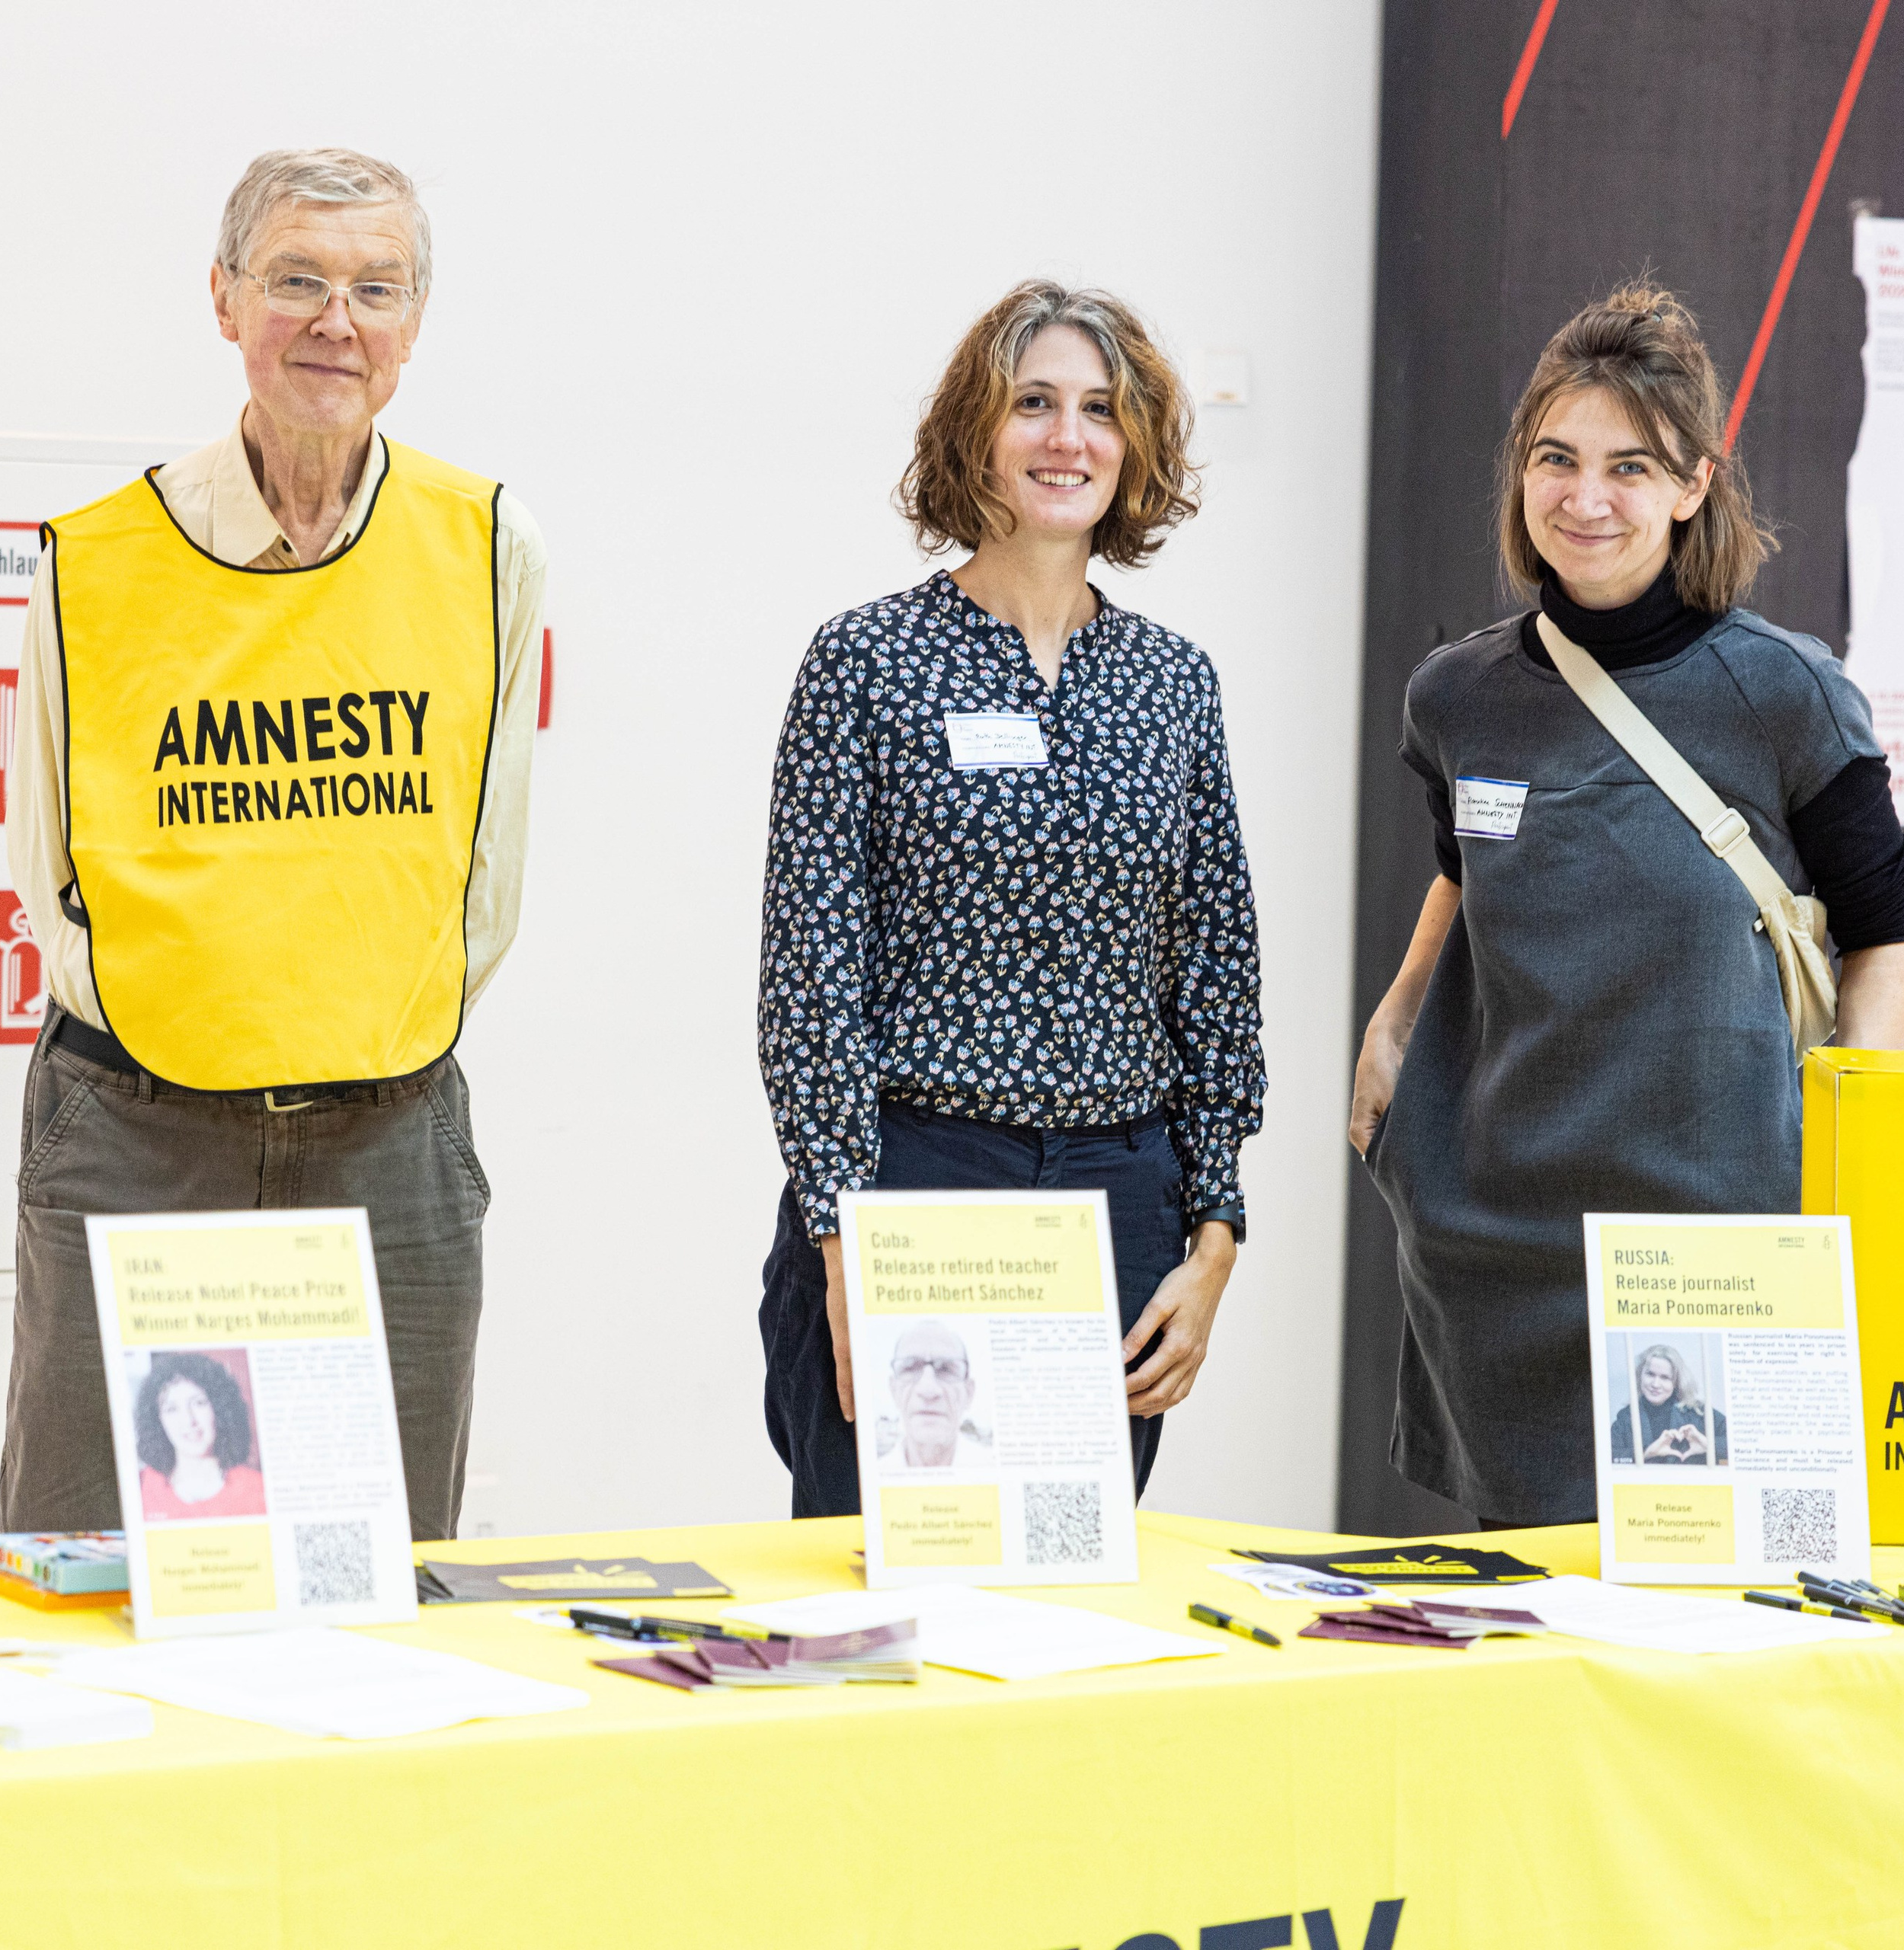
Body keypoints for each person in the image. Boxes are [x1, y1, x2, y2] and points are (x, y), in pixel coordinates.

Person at [1, 149, 547, 1542]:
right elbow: (51, 860)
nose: (334, 320)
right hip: (136, 1129)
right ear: (226, 300)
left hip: (392, 1136)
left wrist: (356, 1026)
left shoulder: (486, 543)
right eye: (296, 278)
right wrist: (191, 1023)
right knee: (80, 1580)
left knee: (376, 1575)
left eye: (376, 288)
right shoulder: (96, 556)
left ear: (414, 326)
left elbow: (485, 864)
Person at [1352, 286, 1904, 1529]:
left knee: (1729, 1632)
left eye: (1629, 466)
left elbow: (1884, 934)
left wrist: (1862, 1166)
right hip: (1501, 1255)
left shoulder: (1785, 694)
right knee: (1540, 1652)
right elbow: (1467, 870)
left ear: (1694, 484)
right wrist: (1391, 1028)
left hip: (1716, 1259)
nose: (1585, 498)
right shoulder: (1458, 698)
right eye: (1557, 459)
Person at [758, 280, 1266, 1518]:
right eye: (1033, 403)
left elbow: (1217, 971)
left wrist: (1215, 1244)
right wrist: (839, 1238)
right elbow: (810, 975)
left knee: (1067, 1600)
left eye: (1100, 410)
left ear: (1135, 446)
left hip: (1119, 1207)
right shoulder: (865, 663)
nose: (1067, 437)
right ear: (975, 431)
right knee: (883, 1607)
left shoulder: (1173, 685)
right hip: (917, 1188)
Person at [135, 1352, 267, 1519]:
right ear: (157, 1420)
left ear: (220, 1410)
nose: (189, 1421)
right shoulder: (139, 1486)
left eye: (199, 1403)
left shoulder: (258, 1489)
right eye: (172, 1409)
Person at [879, 1323, 993, 1470]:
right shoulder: (868, 1479)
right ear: (893, 1390)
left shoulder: (994, 1472)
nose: (928, 1390)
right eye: (911, 1367)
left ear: (969, 1393)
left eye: (946, 1369)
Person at [1609, 1344, 1726, 1466]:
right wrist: (1644, 1453)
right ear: (1640, 1375)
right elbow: (1606, 1457)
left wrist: (1710, 1445)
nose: (1655, 1384)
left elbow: (1739, 1445)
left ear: (1676, 1382)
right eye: (1650, 1374)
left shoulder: (1699, 1412)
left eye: (1665, 1378)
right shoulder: (1626, 1417)